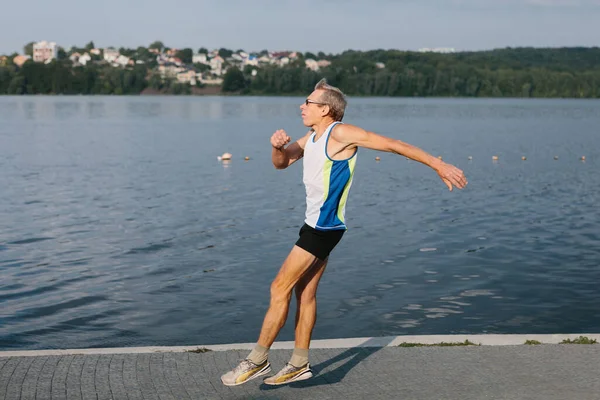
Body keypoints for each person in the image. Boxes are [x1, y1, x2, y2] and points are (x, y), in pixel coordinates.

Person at [220, 79, 468, 387]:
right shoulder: (312, 137)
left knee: (278, 288)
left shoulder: (340, 133)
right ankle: (299, 363)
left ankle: (257, 360)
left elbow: (392, 144)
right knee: (305, 293)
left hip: (322, 228)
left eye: (307, 102)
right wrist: (276, 147)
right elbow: (281, 164)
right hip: (318, 225)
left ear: (324, 109)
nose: (302, 106)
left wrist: (437, 165)